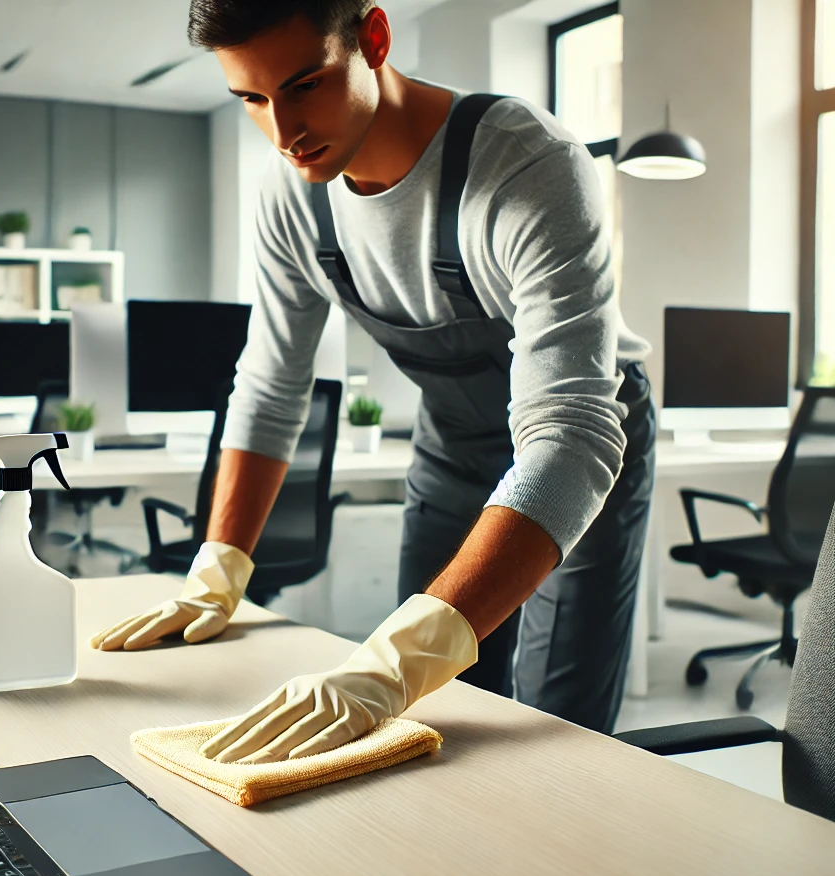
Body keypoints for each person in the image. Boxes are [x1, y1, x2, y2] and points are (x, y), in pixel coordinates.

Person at [92, 1, 655, 764]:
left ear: (373, 39)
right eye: (253, 99)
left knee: (557, 725)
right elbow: (269, 381)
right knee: (436, 715)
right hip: (454, 441)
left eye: (305, 85)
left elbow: (571, 436)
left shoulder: (526, 164)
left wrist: (392, 664)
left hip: (583, 442)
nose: (283, 132)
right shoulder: (292, 193)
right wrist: (218, 567)